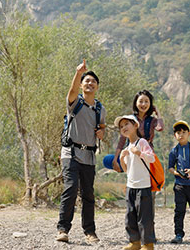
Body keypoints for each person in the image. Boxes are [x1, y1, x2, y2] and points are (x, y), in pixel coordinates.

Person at [56, 60, 106, 244]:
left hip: (89, 156)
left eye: (93, 82)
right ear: (82, 85)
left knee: (88, 194)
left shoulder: (100, 109)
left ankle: (90, 232)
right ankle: (63, 229)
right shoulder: (74, 102)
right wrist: (78, 73)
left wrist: (102, 131)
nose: (90, 84)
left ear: (97, 86)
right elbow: (72, 91)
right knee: (70, 189)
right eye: (87, 81)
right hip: (71, 152)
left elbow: (101, 127)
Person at [116, 115, 156, 250]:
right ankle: (134, 242)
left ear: (135, 125)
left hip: (143, 186)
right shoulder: (128, 147)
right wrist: (122, 159)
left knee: (144, 217)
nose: (124, 128)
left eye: (127, 124)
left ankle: (148, 244)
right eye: (121, 127)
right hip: (130, 186)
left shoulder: (142, 142)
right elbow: (127, 170)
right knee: (130, 216)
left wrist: (139, 153)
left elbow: (152, 159)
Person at [111, 90, 164, 172]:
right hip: (132, 151)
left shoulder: (152, 120)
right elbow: (122, 140)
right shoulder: (130, 119)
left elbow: (159, 128)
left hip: (146, 154)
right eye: (141, 101)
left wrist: (158, 113)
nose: (143, 104)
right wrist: (116, 158)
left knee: (147, 178)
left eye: (146, 101)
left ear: (150, 104)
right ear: (136, 103)